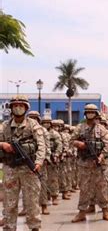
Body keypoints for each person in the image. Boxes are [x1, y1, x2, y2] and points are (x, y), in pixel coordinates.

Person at [0, 95, 46, 231]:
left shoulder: (33, 125)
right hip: (10, 169)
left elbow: (41, 145)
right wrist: (2, 144)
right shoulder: (4, 126)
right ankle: (9, 228)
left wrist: (38, 162)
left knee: (31, 202)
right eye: (15, 105)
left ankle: (35, 227)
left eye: (21, 105)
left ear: (26, 108)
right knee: (9, 203)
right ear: (11, 108)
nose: (18, 108)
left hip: (29, 169)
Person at [70, 104, 108, 222]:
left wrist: (102, 156)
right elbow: (71, 140)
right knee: (84, 188)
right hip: (84, 163)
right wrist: (79, 144)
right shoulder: (80, 128)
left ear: (96, 114)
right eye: (88, 112)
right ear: (85, 114)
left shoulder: (102, 129)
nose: (90, 114)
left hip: (99, 163)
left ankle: (105, 210)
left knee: (102, 187)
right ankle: (82, 212)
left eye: (92, 112)